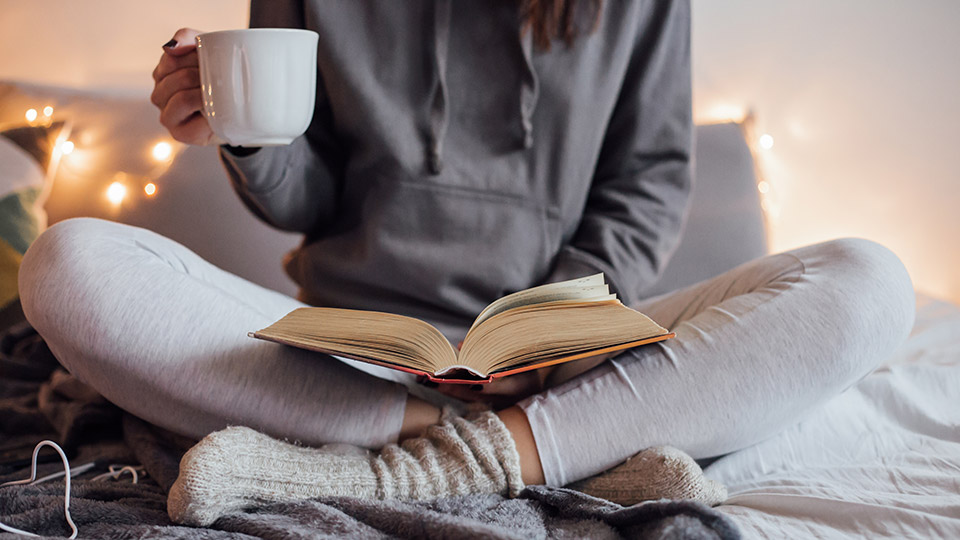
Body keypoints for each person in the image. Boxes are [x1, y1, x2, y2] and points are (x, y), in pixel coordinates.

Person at [18, 0, 915, 527]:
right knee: (66, 262)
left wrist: (558, 333)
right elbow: (308, 199)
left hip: (571, 342)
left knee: (869, 280)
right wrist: (245, 137)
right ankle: (561, 451)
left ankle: (420, 457)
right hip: (344, 352)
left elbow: (647, 181)